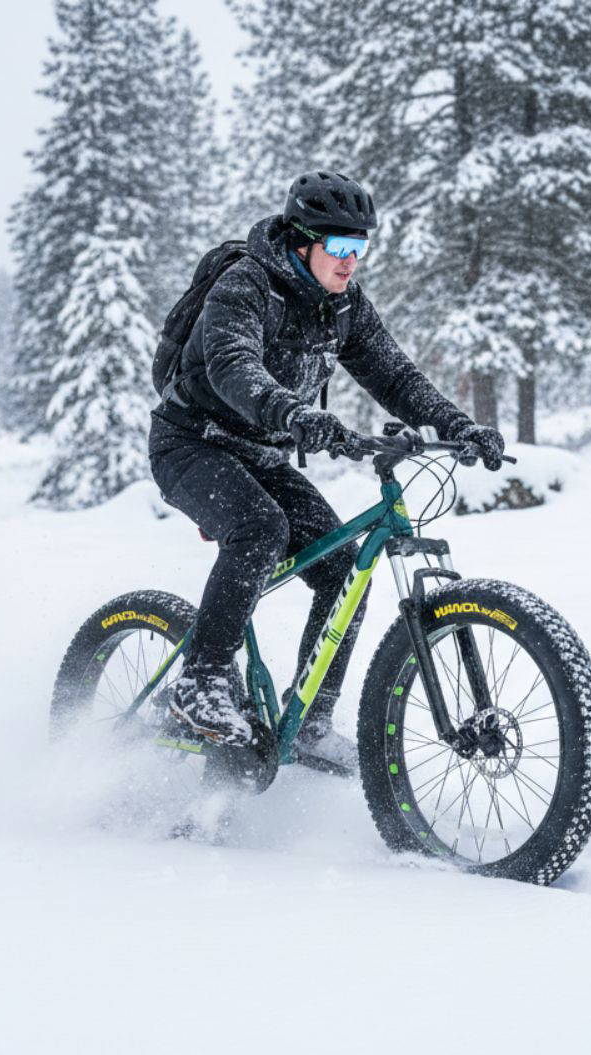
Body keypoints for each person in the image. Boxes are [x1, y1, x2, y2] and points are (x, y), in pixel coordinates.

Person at [148, 170, 506, 772]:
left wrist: (458, 425)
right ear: (301, 241)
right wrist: (292, 412)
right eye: (339, 246)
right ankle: (200, 681)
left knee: (342, 568)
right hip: (191, 443)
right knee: (260, 529)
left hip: (261, 453)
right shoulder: (245, 285)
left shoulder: (344, 305)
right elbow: (232, 366)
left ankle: (311, 723)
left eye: (360, 247)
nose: (350, 261)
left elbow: (395, 376)